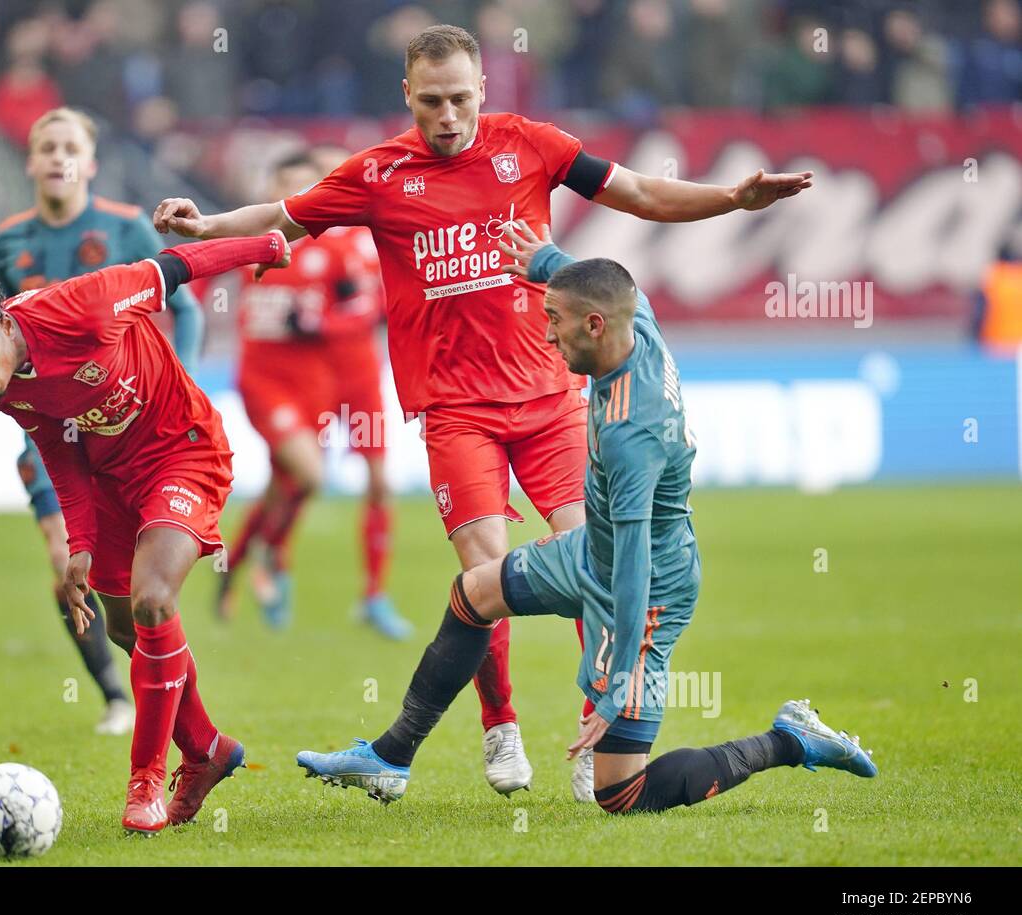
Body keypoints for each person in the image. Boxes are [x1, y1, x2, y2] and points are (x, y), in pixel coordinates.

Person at [154, 23, 813, 800]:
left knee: (595, 561)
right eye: (431, 101)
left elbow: (637, 193)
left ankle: (590, 731)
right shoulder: (378, 173)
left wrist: (732, 199)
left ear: (483, 91)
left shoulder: (530, 144)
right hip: (456, 410)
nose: (448, 116)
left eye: (461, 99)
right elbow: (285, 219)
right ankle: (500, 730)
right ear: (408, 94)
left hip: (550, 399)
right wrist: (204, 231)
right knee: (483, 576)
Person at [296, 237, 877, 812]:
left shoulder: (632, 433)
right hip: (589, 551)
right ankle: (392, 755)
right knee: (474, 593)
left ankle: (790, 739)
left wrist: (619, 678)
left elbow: (632, 567)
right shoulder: (636, 321)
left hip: (646, 592)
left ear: (595, 326)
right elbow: (600, 280)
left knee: (621, 794)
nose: (547, 335)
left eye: (554, 321)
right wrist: (544, 258)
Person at [0, 229, 291, 832]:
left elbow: (176, 265)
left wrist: (266, 244)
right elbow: (60, 452)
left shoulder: (83, 305)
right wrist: (79, 548)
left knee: (153, 599)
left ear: (4, 323)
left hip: (182, 452)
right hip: (112, 482)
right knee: (122, 625)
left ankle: (145, 785)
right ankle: (208, 751)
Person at [0, 107, 206, 736]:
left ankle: (169, 698)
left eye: (71, 147)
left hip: (128, 421)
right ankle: (116, 695)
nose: (59, 157)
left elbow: (188, 305)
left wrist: (186, 377)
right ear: (31, 162)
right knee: (63, 554)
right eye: (46, 147)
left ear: (90, 163)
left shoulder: (124, 228)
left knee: (141, 589)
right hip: (51, 429)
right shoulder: (9, 241)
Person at [217, 150, 410, 640]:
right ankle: (269, 564)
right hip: (287, 380)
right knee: (299, 478)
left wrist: (316, 322)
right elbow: (201, 284)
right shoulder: (252, 242)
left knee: (361, 481)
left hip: (352, 375)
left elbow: (371, 305)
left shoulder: (349, 242)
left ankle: (373, 595)